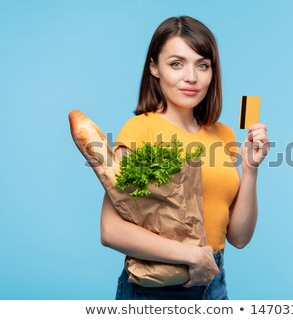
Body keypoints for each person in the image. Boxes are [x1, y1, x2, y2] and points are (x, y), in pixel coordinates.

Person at [100, 16, 270, 300]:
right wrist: (192, 256)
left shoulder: (224, 134)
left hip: (213, 282)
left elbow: (239, 238)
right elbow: (110, 230)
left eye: (202, 65)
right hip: (155, 286)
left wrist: (251, 170)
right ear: (154, 67)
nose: (191, 77)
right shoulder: (140, 130)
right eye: (176, 63)